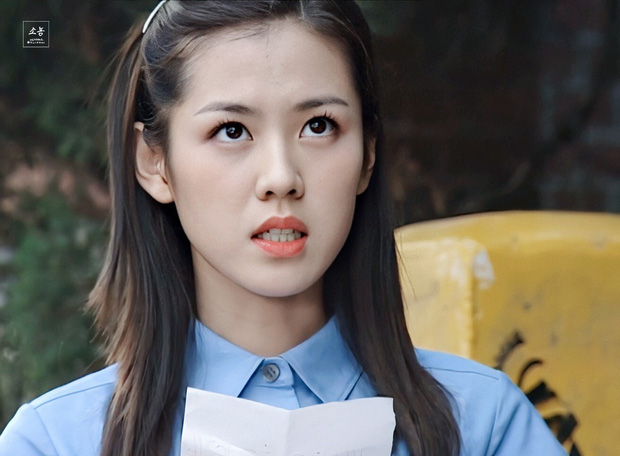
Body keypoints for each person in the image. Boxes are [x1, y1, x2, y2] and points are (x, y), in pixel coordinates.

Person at [0, 1, 566, 455]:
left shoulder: (482, 425)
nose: (280, 178)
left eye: (319, 126)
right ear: (155, 162)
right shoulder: (59, 441)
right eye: (231, 131)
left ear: (368, 154)